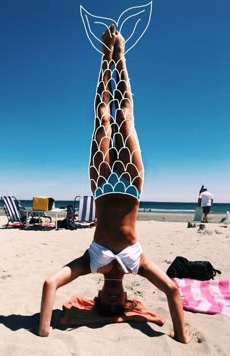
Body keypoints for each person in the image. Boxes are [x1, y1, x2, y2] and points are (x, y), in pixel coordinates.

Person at [38, 25, 192, 343]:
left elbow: (50, 283)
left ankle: (105, 56)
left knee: (103, 117)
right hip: (133, 184)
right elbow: (173, 290)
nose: (111, 301)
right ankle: (120, 56)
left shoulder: (91, 264)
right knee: (124, 115)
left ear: (97, 298)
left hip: (101, 184)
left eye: (104, 305)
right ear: (126, 301)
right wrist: (182, 336)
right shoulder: (138, 266)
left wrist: (43, 329)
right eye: (116, 306)